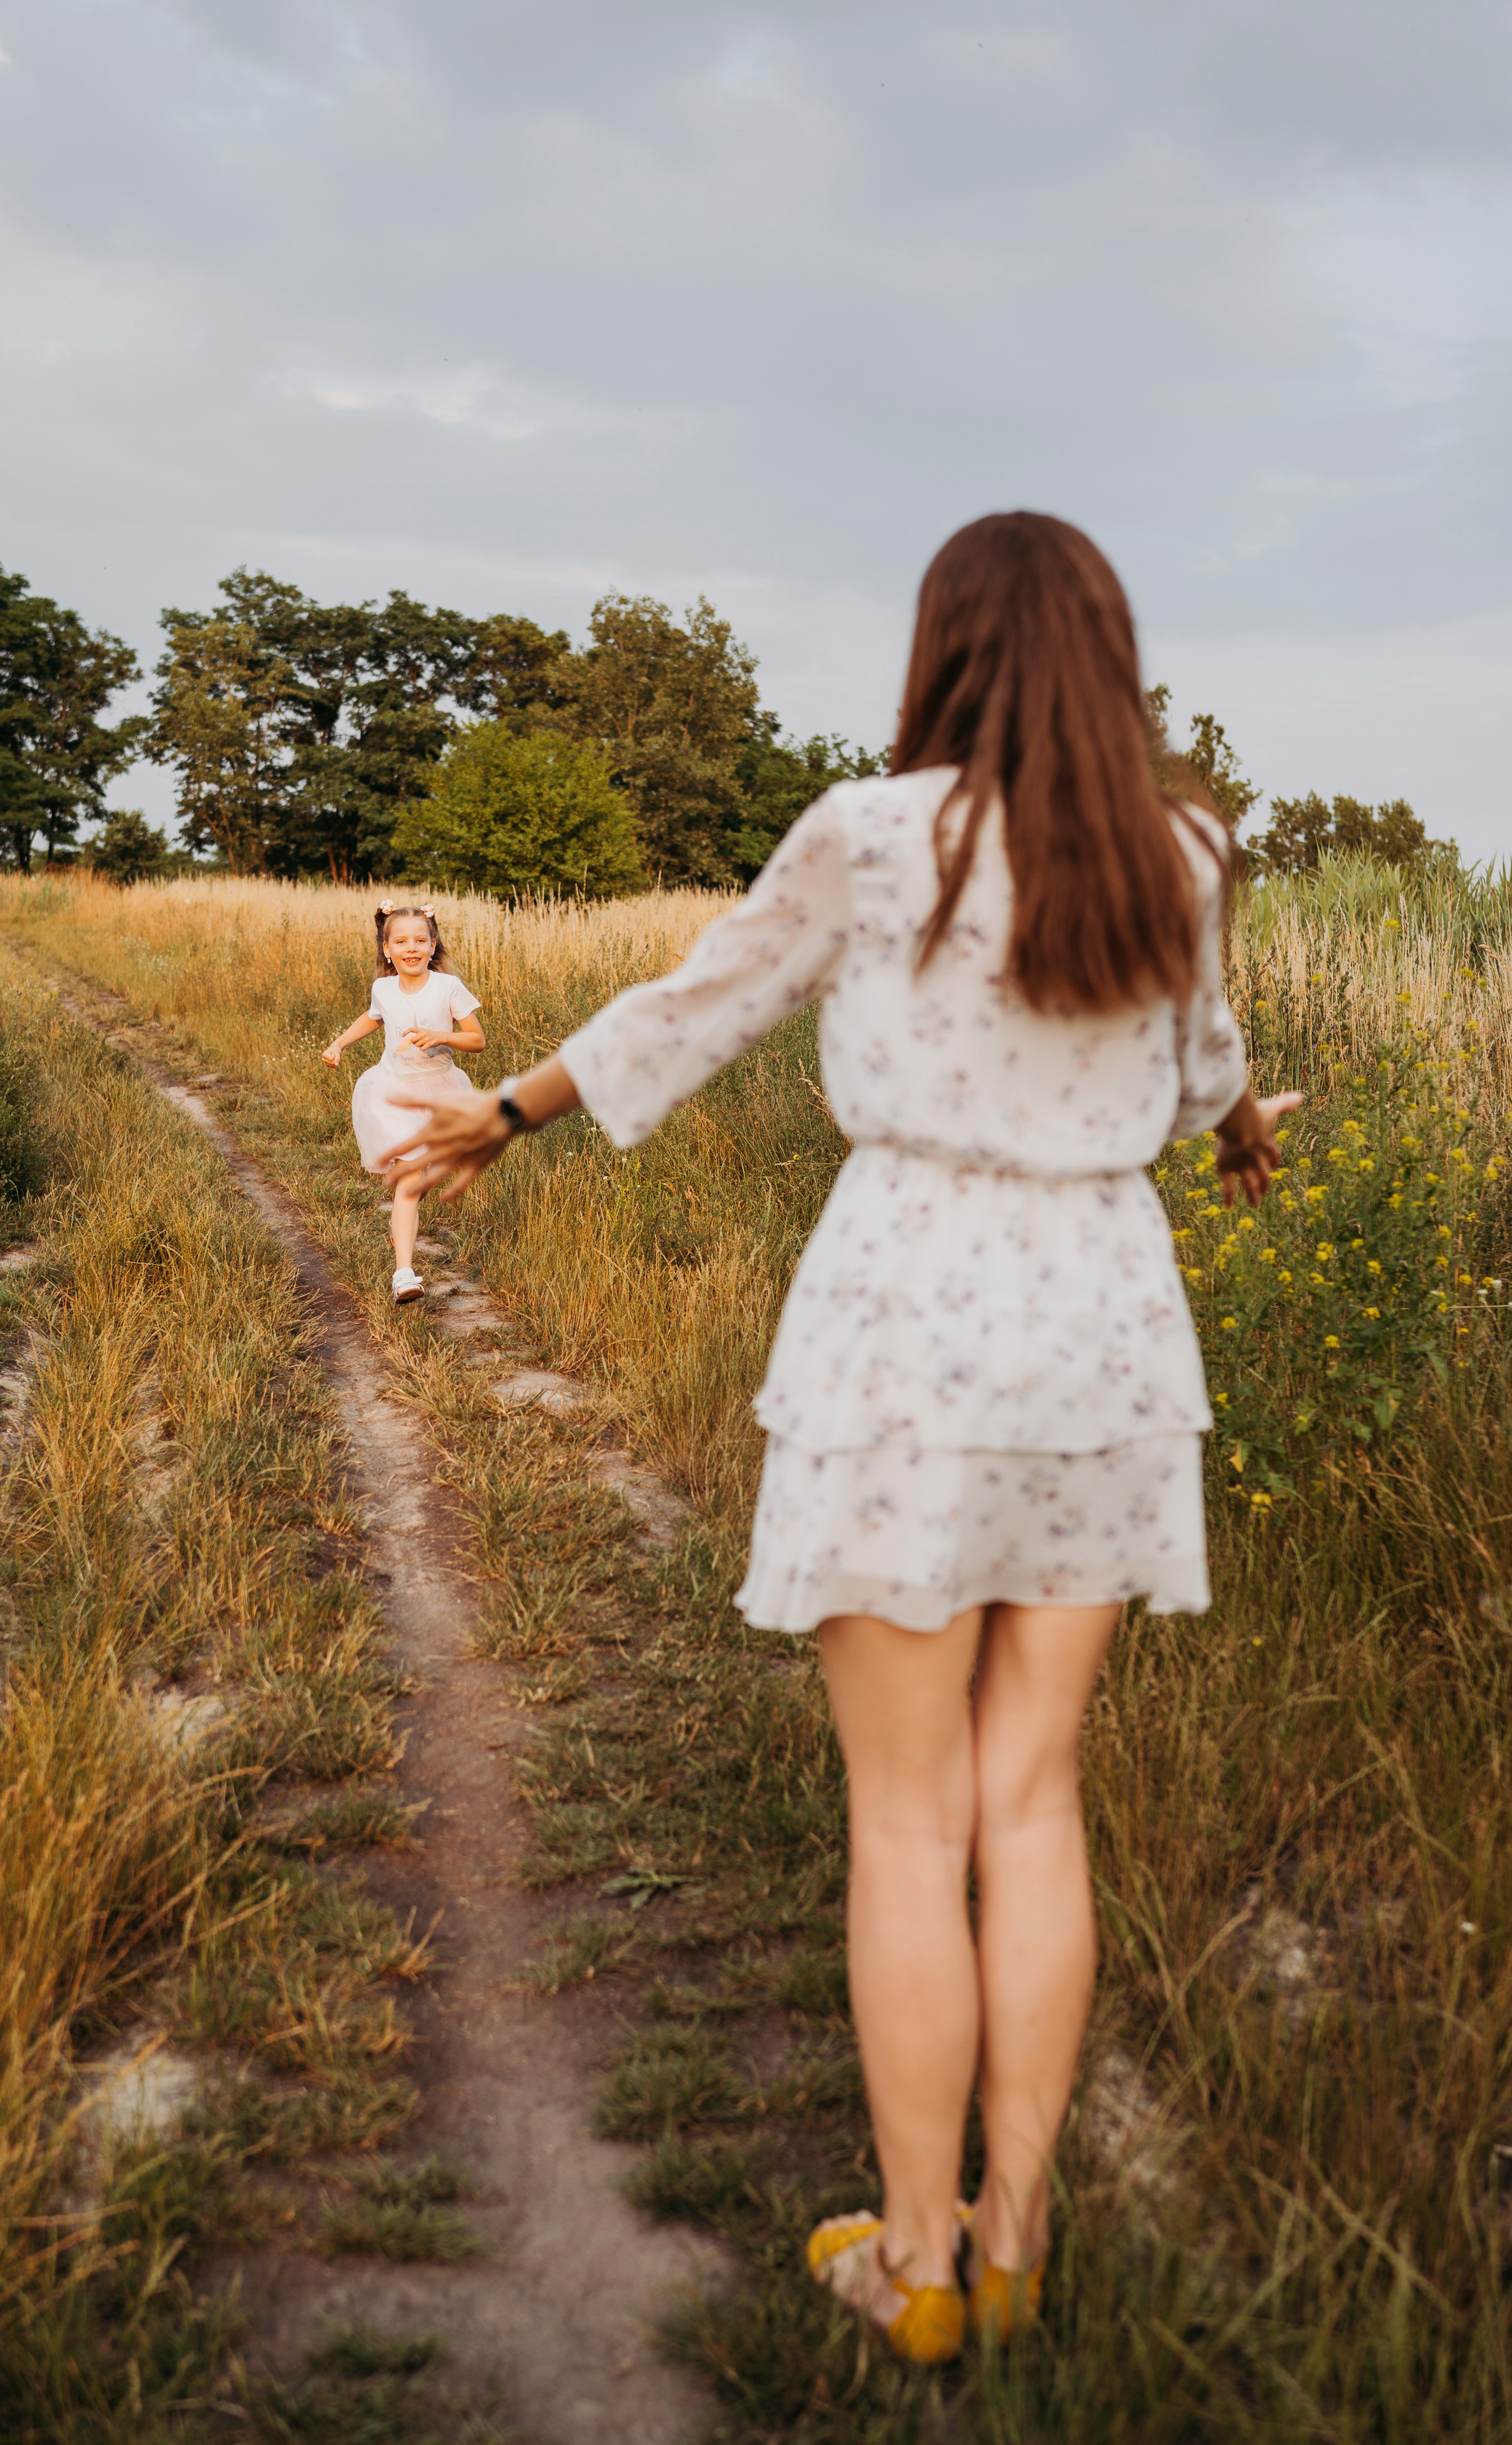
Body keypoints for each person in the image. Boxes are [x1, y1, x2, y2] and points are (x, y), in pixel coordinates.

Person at [374, 514, 1299, 2363]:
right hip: (1102, 1321)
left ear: (944, 645)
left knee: (906, 1815)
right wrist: (1236, 1128)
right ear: (1107, 651)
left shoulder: (873, 832)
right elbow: (1200, 1060)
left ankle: (920, 2256)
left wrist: (515, 1111)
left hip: (907, 1309)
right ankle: (1019, 2232)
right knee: (1032, 1798)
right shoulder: (1182, 841)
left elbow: (698, 1001)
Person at [321, 901, 486, 1303]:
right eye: (401, 941)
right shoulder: (382, 988)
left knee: (424, 1177)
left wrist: (443, 1037)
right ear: (387, 949)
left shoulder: (448, 987)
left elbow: (477, 1040)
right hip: (393, 1091)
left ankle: (402, 1220)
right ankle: (405, 1275)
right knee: (410, 1177)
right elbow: (374, 1017)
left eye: (419, 940)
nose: (411, 948)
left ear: (433, 946)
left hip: (443, 1092)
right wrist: (340, 1042)